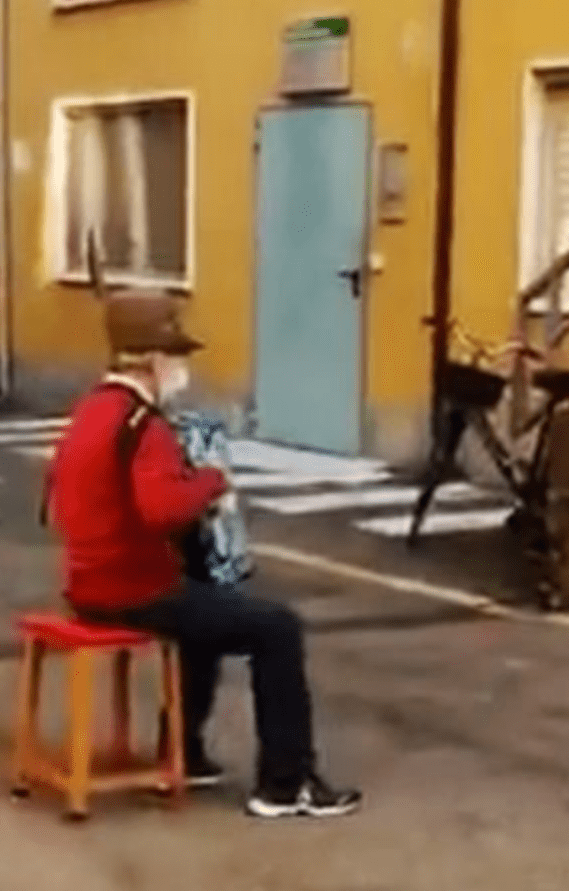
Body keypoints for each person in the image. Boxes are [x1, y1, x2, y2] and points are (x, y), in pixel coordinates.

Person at [45, 238, 361, 819]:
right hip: (133, 590)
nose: (181, 368)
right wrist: (211, 482)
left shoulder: (90, 411)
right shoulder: (144, 424)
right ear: (150, 361)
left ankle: (183, 752)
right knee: (277, 628)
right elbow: (160, 510)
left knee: (207, 618)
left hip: (88, 584)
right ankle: (287, 785)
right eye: (175, 356)